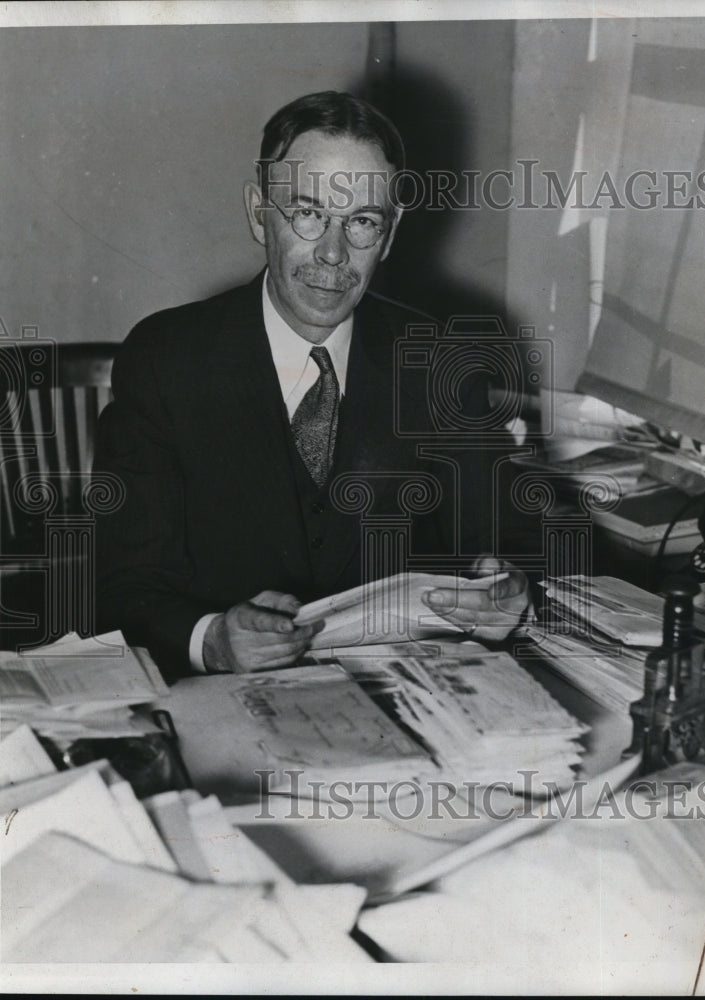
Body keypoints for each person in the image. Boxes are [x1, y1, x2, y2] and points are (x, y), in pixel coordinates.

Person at [93, 90, 530, 683]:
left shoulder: (440, 361)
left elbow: (497, 541)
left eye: (362, 223)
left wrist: (503, 589)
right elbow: (126, 584)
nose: (332, 253)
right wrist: (213, 640)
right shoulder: (167, 358)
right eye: (307, 213)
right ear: (258, 213)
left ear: (390, 234)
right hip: (225, 701)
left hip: (402, 692)